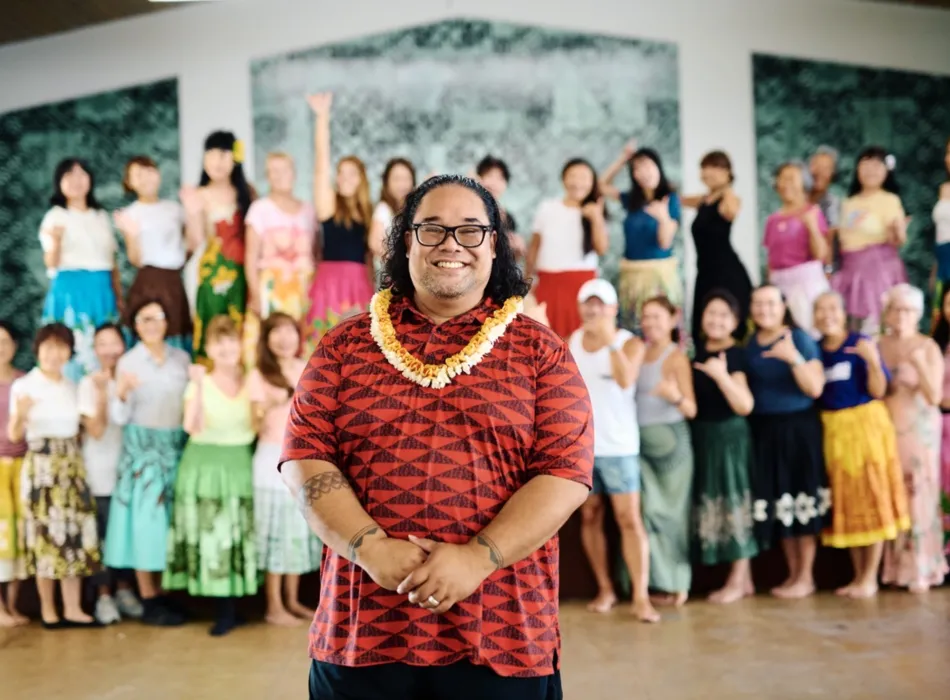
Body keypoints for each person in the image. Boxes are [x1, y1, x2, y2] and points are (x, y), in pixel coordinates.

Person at [279, 174, 593, 699]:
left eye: (470, 230)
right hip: (363, 634)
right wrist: (367, 546)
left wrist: (479, 557)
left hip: (503, 637)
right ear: (407, 242)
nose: (451, 244)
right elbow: (303, 458)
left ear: (494, 245)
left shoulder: (542, 353)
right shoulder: (342, 347)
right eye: (432, 229)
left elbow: (565, 474)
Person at [570, 278, 659, 623]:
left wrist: (609, 342)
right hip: (583, 448)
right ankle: (605, 589)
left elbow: (625, 380)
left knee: (629, 519)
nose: (593, 310)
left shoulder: (629, 343)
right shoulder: (572, 342)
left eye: (600, 304)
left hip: (620, 448)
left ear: (613, 309)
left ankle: (640, 597)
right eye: (588, 303)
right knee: (590, 516)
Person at [164, 315, 259, 636]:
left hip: (239, 463)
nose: (226, 348)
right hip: (205, 464)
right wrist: (199, 386)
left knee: (237, 534)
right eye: (219, 342)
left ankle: (236, 606)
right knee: (213, 536)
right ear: (208, 348)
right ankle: (222, 611)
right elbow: (192, 426)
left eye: (231, 340)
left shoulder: (251, 379)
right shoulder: (199, 382)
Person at [813, 291, 909, 598]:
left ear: (844, 314)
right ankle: (857, 576)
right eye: (820, 310)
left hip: (866, 429)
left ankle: (870, 577)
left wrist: (872, 361)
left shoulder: (860, 343)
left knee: (872, 497)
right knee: (848, 502)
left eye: (833, 308)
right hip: (834, 432)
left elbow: (878, 390)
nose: (827, 315)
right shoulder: (816, 350)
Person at [8, 323, 101, 628]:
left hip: (71, 466)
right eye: (48, 347)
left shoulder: (73, 387)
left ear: (69, 352)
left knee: (73, 536)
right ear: (37, 350)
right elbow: (13, 434)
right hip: (42, 468)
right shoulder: (25, 386)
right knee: (45, 539)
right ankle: (49, 609)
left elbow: (89, 429)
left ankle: (73, 607)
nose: (54, 354)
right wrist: (21, 413)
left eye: (61, 347)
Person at [105, 299, 189, 626]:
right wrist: (122, 392)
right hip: (142, 452)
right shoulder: (128, 362)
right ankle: (148, 598)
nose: (152, 324)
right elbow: (118, 417)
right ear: (136, 326)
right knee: (143, 525)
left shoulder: (182, 359)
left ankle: (164, 593)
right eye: (145, 319)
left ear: (166, 323)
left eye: (157, 317)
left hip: (174, 448)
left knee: (167, 525)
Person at [745, 285, 828, 599]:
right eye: (758, 303)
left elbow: (815, 388)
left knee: (802, 500)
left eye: (770, 303)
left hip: (798, 429)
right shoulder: (750, 344)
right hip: (765, 431)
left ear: (783, 307)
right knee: (780, 503)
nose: (764, 309)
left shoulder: (799, 339)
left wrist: (793, 358)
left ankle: (806, 577)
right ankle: (793, 574)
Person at [249, 313, 320, 626]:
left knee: (294, 533)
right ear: (266, 340)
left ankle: (293, 600)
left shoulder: (307, 367)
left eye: (289, 331)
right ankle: (274, 606)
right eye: (275, 333)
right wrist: (269, 405)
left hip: (301, 460)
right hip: (270, 460)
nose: (283, 339)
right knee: (275, 533)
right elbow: (251, 426)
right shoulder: (259, 374)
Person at [878, 284, 948, 591]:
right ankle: (894, 568)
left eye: (907, 310)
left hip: (920, 428)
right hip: (887, 426)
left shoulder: (928, 346)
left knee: (919, 492)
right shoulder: (879, 345)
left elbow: (934, 396)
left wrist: (918, 365)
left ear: (918, 314)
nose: (901, 315)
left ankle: (922, 566)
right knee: (893, 491)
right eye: (895, 309)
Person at [690, 290, 758, 604]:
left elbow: (744, 405)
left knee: (734, 501)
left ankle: (738, 580)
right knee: (715, 502)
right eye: (711, 313)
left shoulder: (736, 354)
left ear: (734, 322)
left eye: (723, 315)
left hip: (729, 436)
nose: (716, 320)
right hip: (704, 436)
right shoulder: (697, 350)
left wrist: (721, 376)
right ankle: (745, 580)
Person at [78, 323, 144, 625]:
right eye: (102, 344)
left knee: (126, 533)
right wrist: (103, 393)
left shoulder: (133, 378)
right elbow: (95, 430)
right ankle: (104, 596)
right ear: (94, 350)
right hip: (99, 473)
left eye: (114, 343)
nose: (109, 350)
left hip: (130, 470)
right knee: (102, 535)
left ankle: (124, 590)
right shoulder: (87, 383)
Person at [38, 158, 120, 381]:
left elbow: (111, 261)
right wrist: (56, 241)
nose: (76, 180)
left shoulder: (101, 217)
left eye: (81, 174)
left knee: (104, 346)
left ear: (90, 180)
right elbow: (51, 263)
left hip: (101, 289)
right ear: (59, 182)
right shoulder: (55, 216)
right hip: (71, 290)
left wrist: (118, 295)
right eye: (69, 175)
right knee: (70, 345)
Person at [599, 141, 683, 334]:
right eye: (637, 168)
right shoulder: (632, 200)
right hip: (632, 276)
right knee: (634, 328)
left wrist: (663, 219)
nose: (643, 172)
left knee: (658, 328)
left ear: (658, 167)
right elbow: (601, 186)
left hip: (658, 277)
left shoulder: (670, 200)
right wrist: (623, 159)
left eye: (647, 166)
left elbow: (664, 243)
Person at [114, 155, 195, 351]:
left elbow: (190, 247)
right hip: (148, 282)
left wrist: (194, 212)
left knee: (176, 333)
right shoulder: (130, 213)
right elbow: (135, 259)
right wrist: (133, 235)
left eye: (149, 171)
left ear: (158, 174)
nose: (145, 178)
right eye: (138, 175)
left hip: (174, 282)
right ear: (129, 183)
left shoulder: (175, 209)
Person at [526, 158, 609, 338]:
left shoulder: (594, 210)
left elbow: (602, 248)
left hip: (582, 285)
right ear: (564, 179)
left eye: (584, 177)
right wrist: (528, 279)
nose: (578, 182)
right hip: (549, 283)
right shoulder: (547, 208)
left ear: (592, 182)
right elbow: (534, 247)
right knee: (546, 338)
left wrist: (596, 217)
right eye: (573, 176)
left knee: (579, 339)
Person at [0, 321, 27, 627]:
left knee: (20, 538)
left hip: (22, 467)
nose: (1, 348)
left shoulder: (24, 381)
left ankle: (13, 605)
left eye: (5, 341)